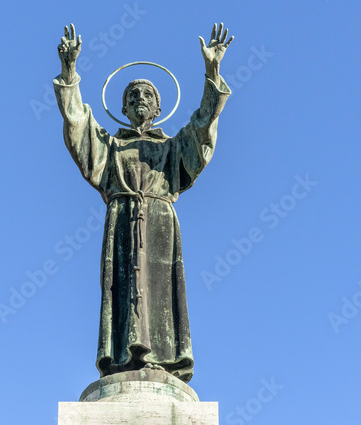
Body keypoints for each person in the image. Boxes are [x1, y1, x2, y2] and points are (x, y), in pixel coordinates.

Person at [54, 22, 233, 383]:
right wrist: (69, 73)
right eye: (132, 96)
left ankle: (164, 361)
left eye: (147, 96)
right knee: (121, 290)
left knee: (160, 291)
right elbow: (78, 126)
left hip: (160, 223)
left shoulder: (170, 148)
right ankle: (122, 358)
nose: (139, 100)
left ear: (158, 107)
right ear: (122, 107)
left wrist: (212, 73)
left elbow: (201, 128)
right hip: (121, 220)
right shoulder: (111, 147)